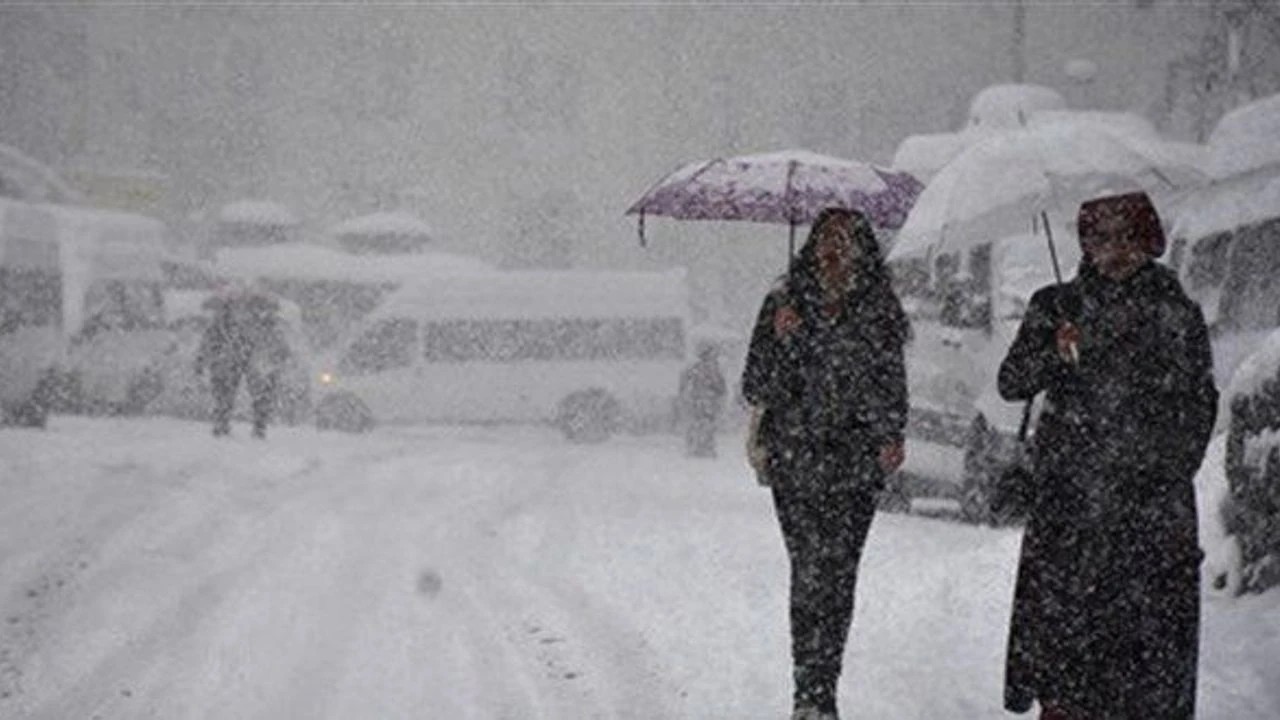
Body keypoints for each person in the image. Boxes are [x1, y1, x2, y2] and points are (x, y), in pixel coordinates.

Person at [996, 191, 1218, 720]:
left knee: (1147, 667)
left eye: (1126, 237)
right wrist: (1054, 349)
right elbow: (1012, 383)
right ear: (1085, 244)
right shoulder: (1056, 306)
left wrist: (1158, 467)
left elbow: (1199, 405)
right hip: (1072, 515)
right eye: (1101, 238)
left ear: (1148, 241)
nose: (1114, 250)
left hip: (1150, 516)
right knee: (1067, 658)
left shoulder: (1175, 312)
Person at [741, 207, 909, 720]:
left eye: (846, 241)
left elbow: (890, 385)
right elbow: (755, 385)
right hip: (795, 459)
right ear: (811, 248)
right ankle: (808, 693)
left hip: (855, 464)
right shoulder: (783, 305)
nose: (834, 251)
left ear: (863, 251)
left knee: (839, 575)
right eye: (826, 241)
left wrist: (889, 434)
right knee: (810, 570)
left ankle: (823, 687)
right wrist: (784, 340)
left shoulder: (878, 311)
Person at [195, 289, 290, 439]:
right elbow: (280, 346)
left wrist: (202, 360)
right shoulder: (264, 324)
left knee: (228, 394)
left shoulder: (225, 324)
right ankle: (251, 427)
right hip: (244, 361)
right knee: (250, 394)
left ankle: (226, 425)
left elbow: (208, 343)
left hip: (233, 361)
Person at [678, 341, 727, 457]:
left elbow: (684, 383)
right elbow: (721, 388)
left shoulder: (695, 368)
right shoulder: (713, 370)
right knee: (705, 427)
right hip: (706, 403)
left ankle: (697, 449)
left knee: (698, 426)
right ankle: (704, 449)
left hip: (700, 403)